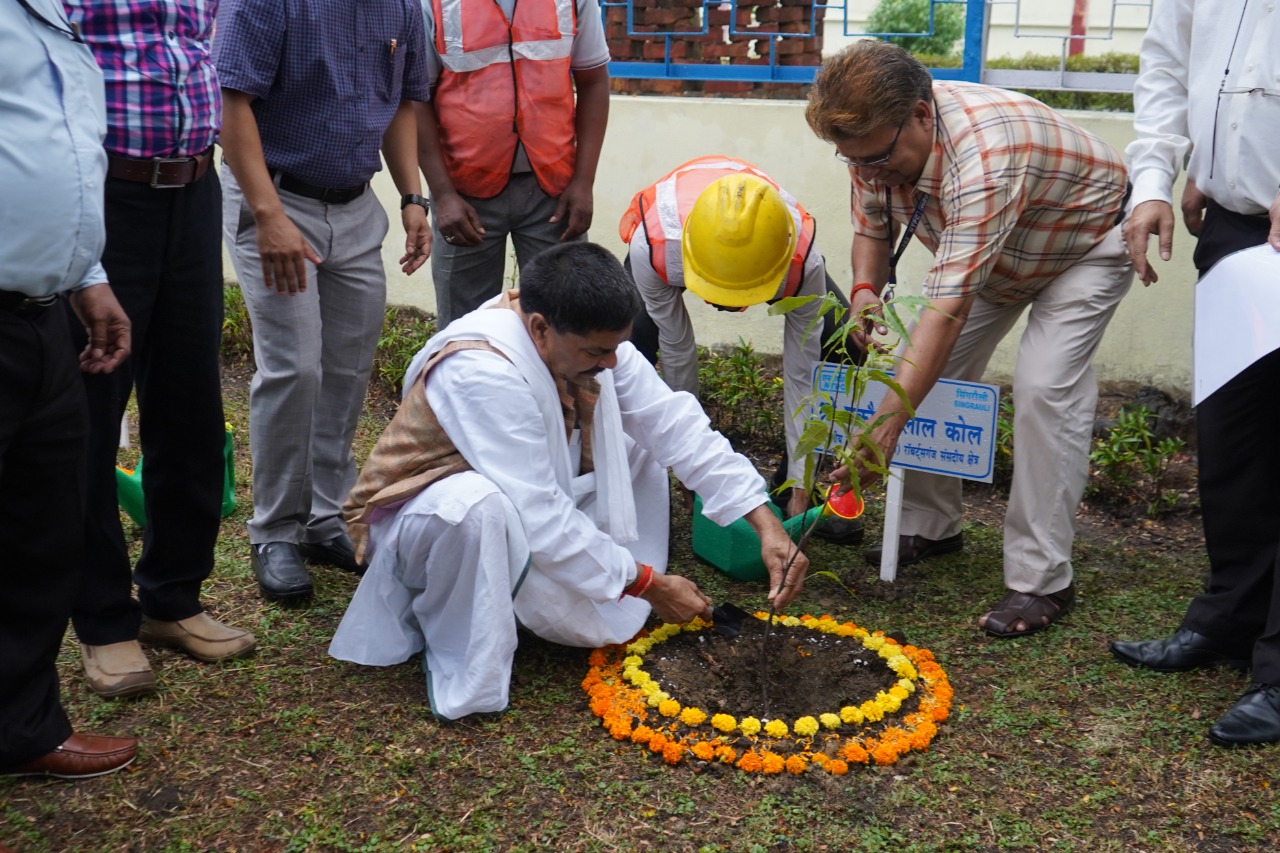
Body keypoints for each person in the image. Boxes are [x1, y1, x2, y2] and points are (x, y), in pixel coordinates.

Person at [328, 242, 808, 720]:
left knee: (637, 439)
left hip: (521, 499)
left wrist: (765, 526)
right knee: (479, 506)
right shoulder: (479, 369)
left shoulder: (591, 344)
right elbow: (536, 512)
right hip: (428, 522)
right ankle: (463, 652)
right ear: (539, 329)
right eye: (598, 350)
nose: (613, 362)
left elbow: (675, 426)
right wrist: (649, 584)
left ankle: (562, 587)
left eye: (617, 346)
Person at [805, 41, 1134, 637]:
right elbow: (871, 231)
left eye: (876, 157)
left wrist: (883, 430)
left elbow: (949, 309)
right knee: (924, 370)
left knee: (1043, 388)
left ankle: (1041, 580)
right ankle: (932, 525)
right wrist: (861, 293)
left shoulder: (985, 158)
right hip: (993, 256)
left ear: (922, 116)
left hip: (1082, 247)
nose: (867, 171)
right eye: (854, 161)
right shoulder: (870, 147)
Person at [60, 0, 256, 700]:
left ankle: (171, 596)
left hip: (194, 189)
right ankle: (105, 618)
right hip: (106, 195)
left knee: (190, 401)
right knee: (93, 406)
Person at [215, 0, 432, 602]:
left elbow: (401, 109)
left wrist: (414, 198)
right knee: (294, 367)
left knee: (345, 369)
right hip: (278, 199)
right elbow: (233, 107)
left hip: (358, 207)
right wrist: (267, 215)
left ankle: (323, 518)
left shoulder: (404, 9)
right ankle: (274, 531)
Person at [1109, 0, 1280, 746]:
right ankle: (1231, 618)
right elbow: (1167, 68)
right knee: (1233, 443)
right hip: (1235, 226)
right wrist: (1154, 179)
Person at [1, 0, 136, 778]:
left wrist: (87, 276)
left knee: (41, 531)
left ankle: (21, 726)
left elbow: (57, 156)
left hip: (42, 312)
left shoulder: (55, 15)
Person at [619, 155, 862, 543]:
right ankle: (632, 483)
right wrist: (690, 467)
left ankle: (793, 488)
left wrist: (801, 485)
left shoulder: (800, 259)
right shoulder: (653, 245)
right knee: (630, 344)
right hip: (672, 243)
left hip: (765, 250)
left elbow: (802, 370)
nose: (729, 307)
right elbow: (678, 352)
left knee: (842, 340)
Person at [417, 0, 610, 328]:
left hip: (554, 193)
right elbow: (417, 99)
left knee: (564, 323)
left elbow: (593, 81)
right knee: (466, 328)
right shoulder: (431, 4)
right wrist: (443, 194)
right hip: (464, 198)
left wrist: (583, 182)